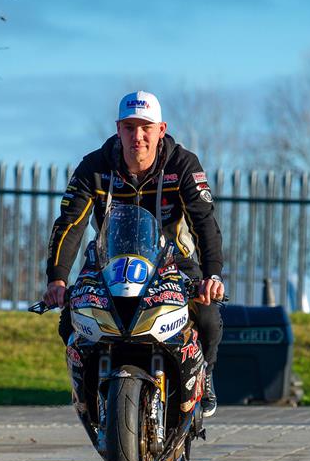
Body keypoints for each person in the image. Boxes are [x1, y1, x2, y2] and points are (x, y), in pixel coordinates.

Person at [43, 90, 224, 417]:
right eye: (129, 127)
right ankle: (86, 388)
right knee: (69, 319)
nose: (137, 136)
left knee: (208, 315)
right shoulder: (93, 167)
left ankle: (204, 374)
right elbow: (70, 224)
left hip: (172, 261)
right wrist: (57, 279)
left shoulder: (183, 164)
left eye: (145, 127)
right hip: (107, 261)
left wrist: (211, 275)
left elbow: (204, 222)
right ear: (118, 129)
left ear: (161, 129)